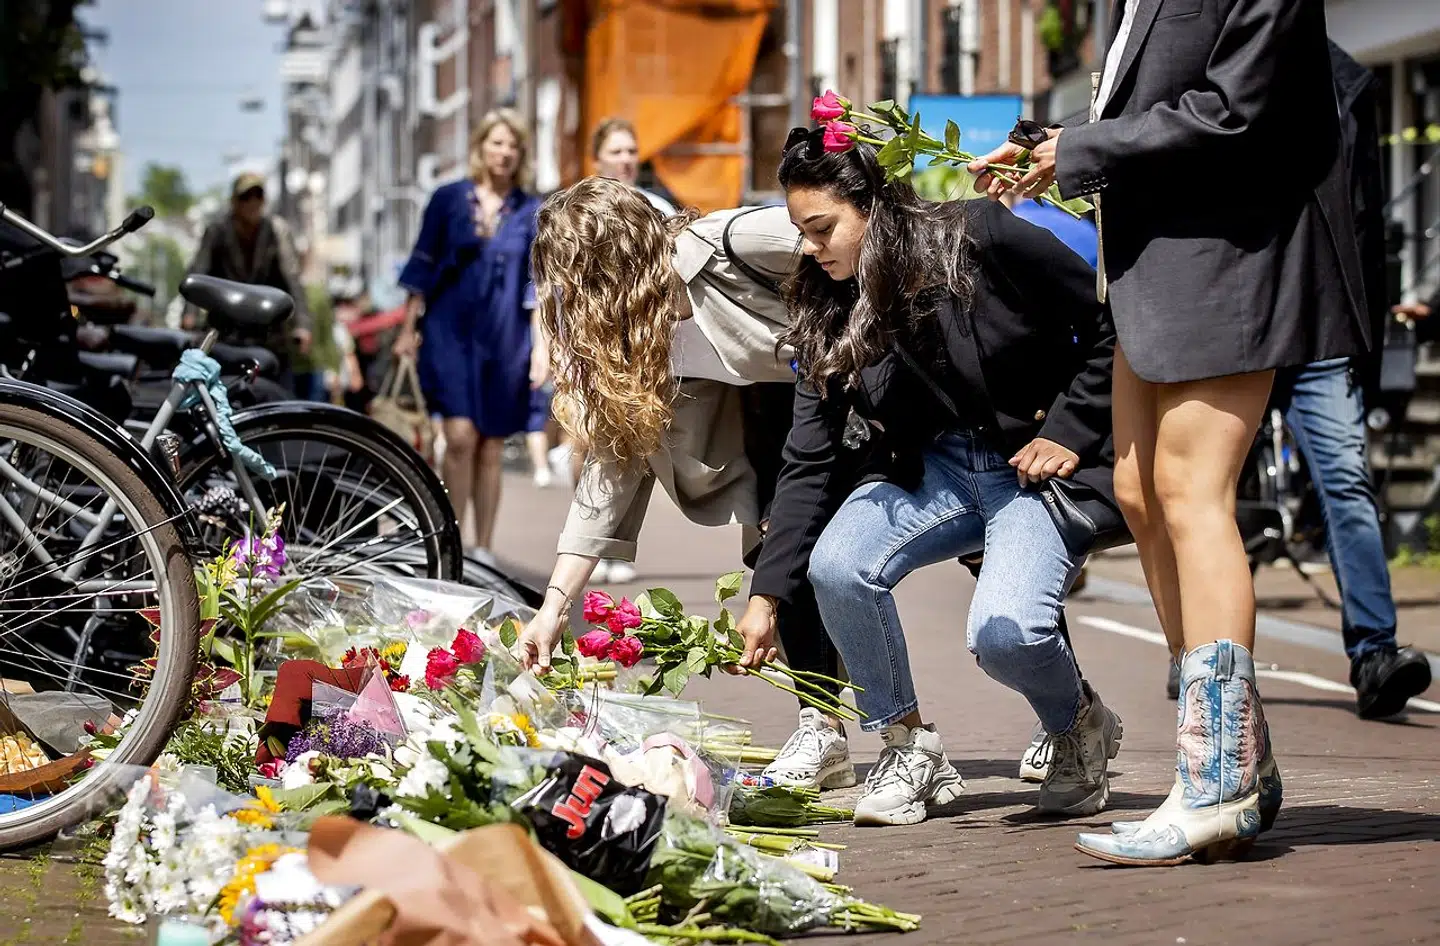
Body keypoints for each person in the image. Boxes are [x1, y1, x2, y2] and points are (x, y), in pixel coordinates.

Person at [971, 0, 1368, 865]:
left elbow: (1235, 109)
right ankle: (1238, 757)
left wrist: (1078, 151)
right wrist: (1057, 146)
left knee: (1192, 493)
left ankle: (1218, 780)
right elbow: (1145, 99)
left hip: (1229, 258)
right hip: (1155, 268)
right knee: (1138, 491)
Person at [730, 128, 1121, 828]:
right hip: (935, 471)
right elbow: (808, 459)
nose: (811, 249)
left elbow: (1109, 325)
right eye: (801, 233)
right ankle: (909, 746)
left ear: (873, 206)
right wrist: (766, 596)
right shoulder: (828, 301)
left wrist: (1067, 429)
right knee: (838, 566)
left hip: (1028, 470)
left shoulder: (981, 235)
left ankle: (1077, 722)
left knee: (1006, 635)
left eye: (822, 229)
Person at [513, 175, 856, 792]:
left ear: (611, 263)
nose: (572, 300)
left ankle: (1035, 711)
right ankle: (825, 726)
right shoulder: (634, 338)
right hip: (778, 429)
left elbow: (869, 243)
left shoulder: (733, 245)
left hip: (866, 398)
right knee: (783, 563)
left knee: (968, 542)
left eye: (578, 280)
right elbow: (609, 472)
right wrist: (553, 611)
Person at [393, 110, 545, 553]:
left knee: (491, 446)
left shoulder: (532, 210)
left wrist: (542, 348)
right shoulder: (447, 199)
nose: (505, 152)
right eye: (497, 142)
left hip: (506, 338)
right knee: (459, 438)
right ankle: (452, 544)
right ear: (480, 146)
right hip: (450, 333)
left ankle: (485, 549)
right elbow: (421, 265)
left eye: (513, 145)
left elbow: (538, 286)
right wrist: (407, 328)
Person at [185, 172, 313, 393]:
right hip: (227, 329)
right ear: (234, 201)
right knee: (220, 393)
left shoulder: (277, 231)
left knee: (278, 394)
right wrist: (189, 313)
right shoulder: (217, 230)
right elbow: (199, 269)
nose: (253, 202)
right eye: (246, 197)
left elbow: (292, 278)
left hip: (268, 331)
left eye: (258, 196)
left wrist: (303, 324)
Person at [591, 117, 678, 216]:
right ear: (596, 160)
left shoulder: (658, 208)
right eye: (616, 152)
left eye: (632, 151)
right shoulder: (584, 210)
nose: (626, 159)